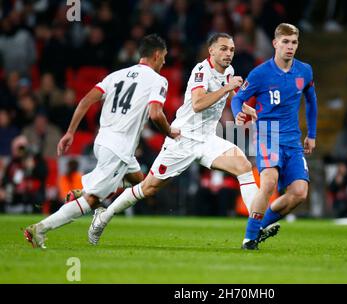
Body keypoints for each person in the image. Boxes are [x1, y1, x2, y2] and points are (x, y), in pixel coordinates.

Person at [87, 33, 272, 246]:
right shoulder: (201, 71)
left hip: (207, 139)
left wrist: (250, 110)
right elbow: (198, 104)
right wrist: (227, 88)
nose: (228, 53)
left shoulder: (228, 71)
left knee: (243, 165)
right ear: (211, 50)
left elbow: (230, 95)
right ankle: (104, 216)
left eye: (231, 49)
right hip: (183, 139)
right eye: (223, 48)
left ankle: (255, 228)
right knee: (148, 188)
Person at [24, 34, 174, 248]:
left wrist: (70, 133)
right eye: (164, 57)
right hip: (119, 148)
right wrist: (170, 133)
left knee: (140, 181)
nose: (165, 62)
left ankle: (89, 188)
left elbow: (85, 101)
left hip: (104, 141)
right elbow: (156, 114)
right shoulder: (158, 80)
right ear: (157, 55)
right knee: (93, 201)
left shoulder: (116, 75)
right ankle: (39, 229)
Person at [231, 23, 318, 250]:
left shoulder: (305, 71)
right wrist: (239, 113)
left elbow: (311, 101)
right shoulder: (261, 73)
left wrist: (312, 134)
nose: (290, 47)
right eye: (285, 42)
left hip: (293, 139)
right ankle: (249, 239)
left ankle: (259, 227)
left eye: (294, 42)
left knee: (299, 193)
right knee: (269, 181)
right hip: (268, 134)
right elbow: (237, 99)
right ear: (275, 43)